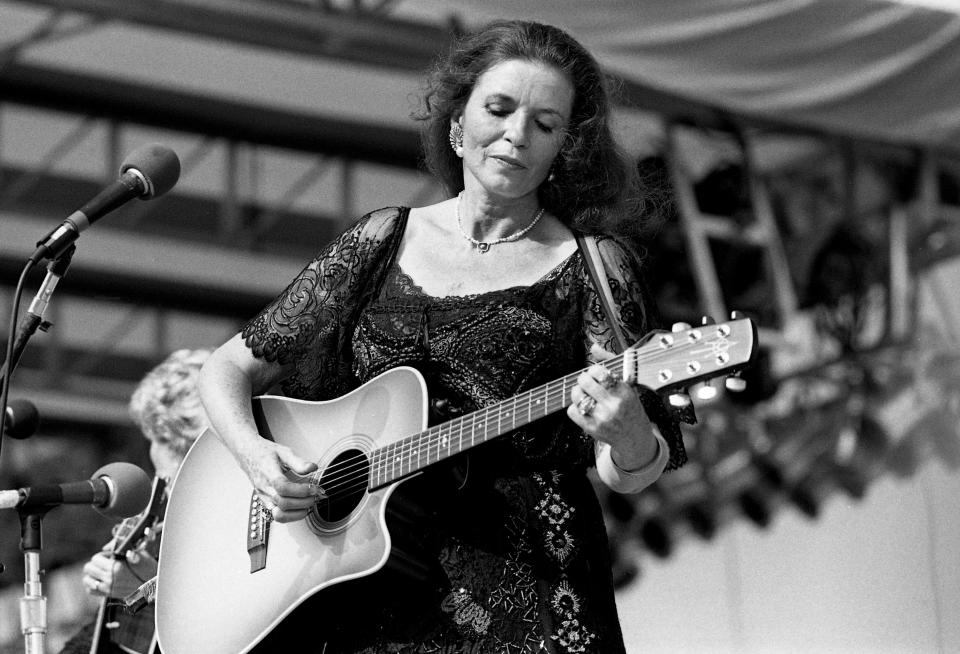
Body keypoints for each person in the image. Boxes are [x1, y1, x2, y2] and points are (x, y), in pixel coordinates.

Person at [198, 19, 688, 654]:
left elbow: (630, 471)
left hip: (524, 587)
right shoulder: (381, 240)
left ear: (565, 147)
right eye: (499, 109)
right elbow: (228, 369)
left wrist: (626, 437)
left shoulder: (593, 266)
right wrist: (257, 458)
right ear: (458, 124)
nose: (516, 135)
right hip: (366, 589)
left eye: (545, 124)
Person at [59, 348, 212, 654]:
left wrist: (145, 588)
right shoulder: (160, 518)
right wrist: (124, 592)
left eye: (158, 439)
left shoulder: (230, 512)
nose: (154, 453)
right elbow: (131, 622)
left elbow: (222, 611)